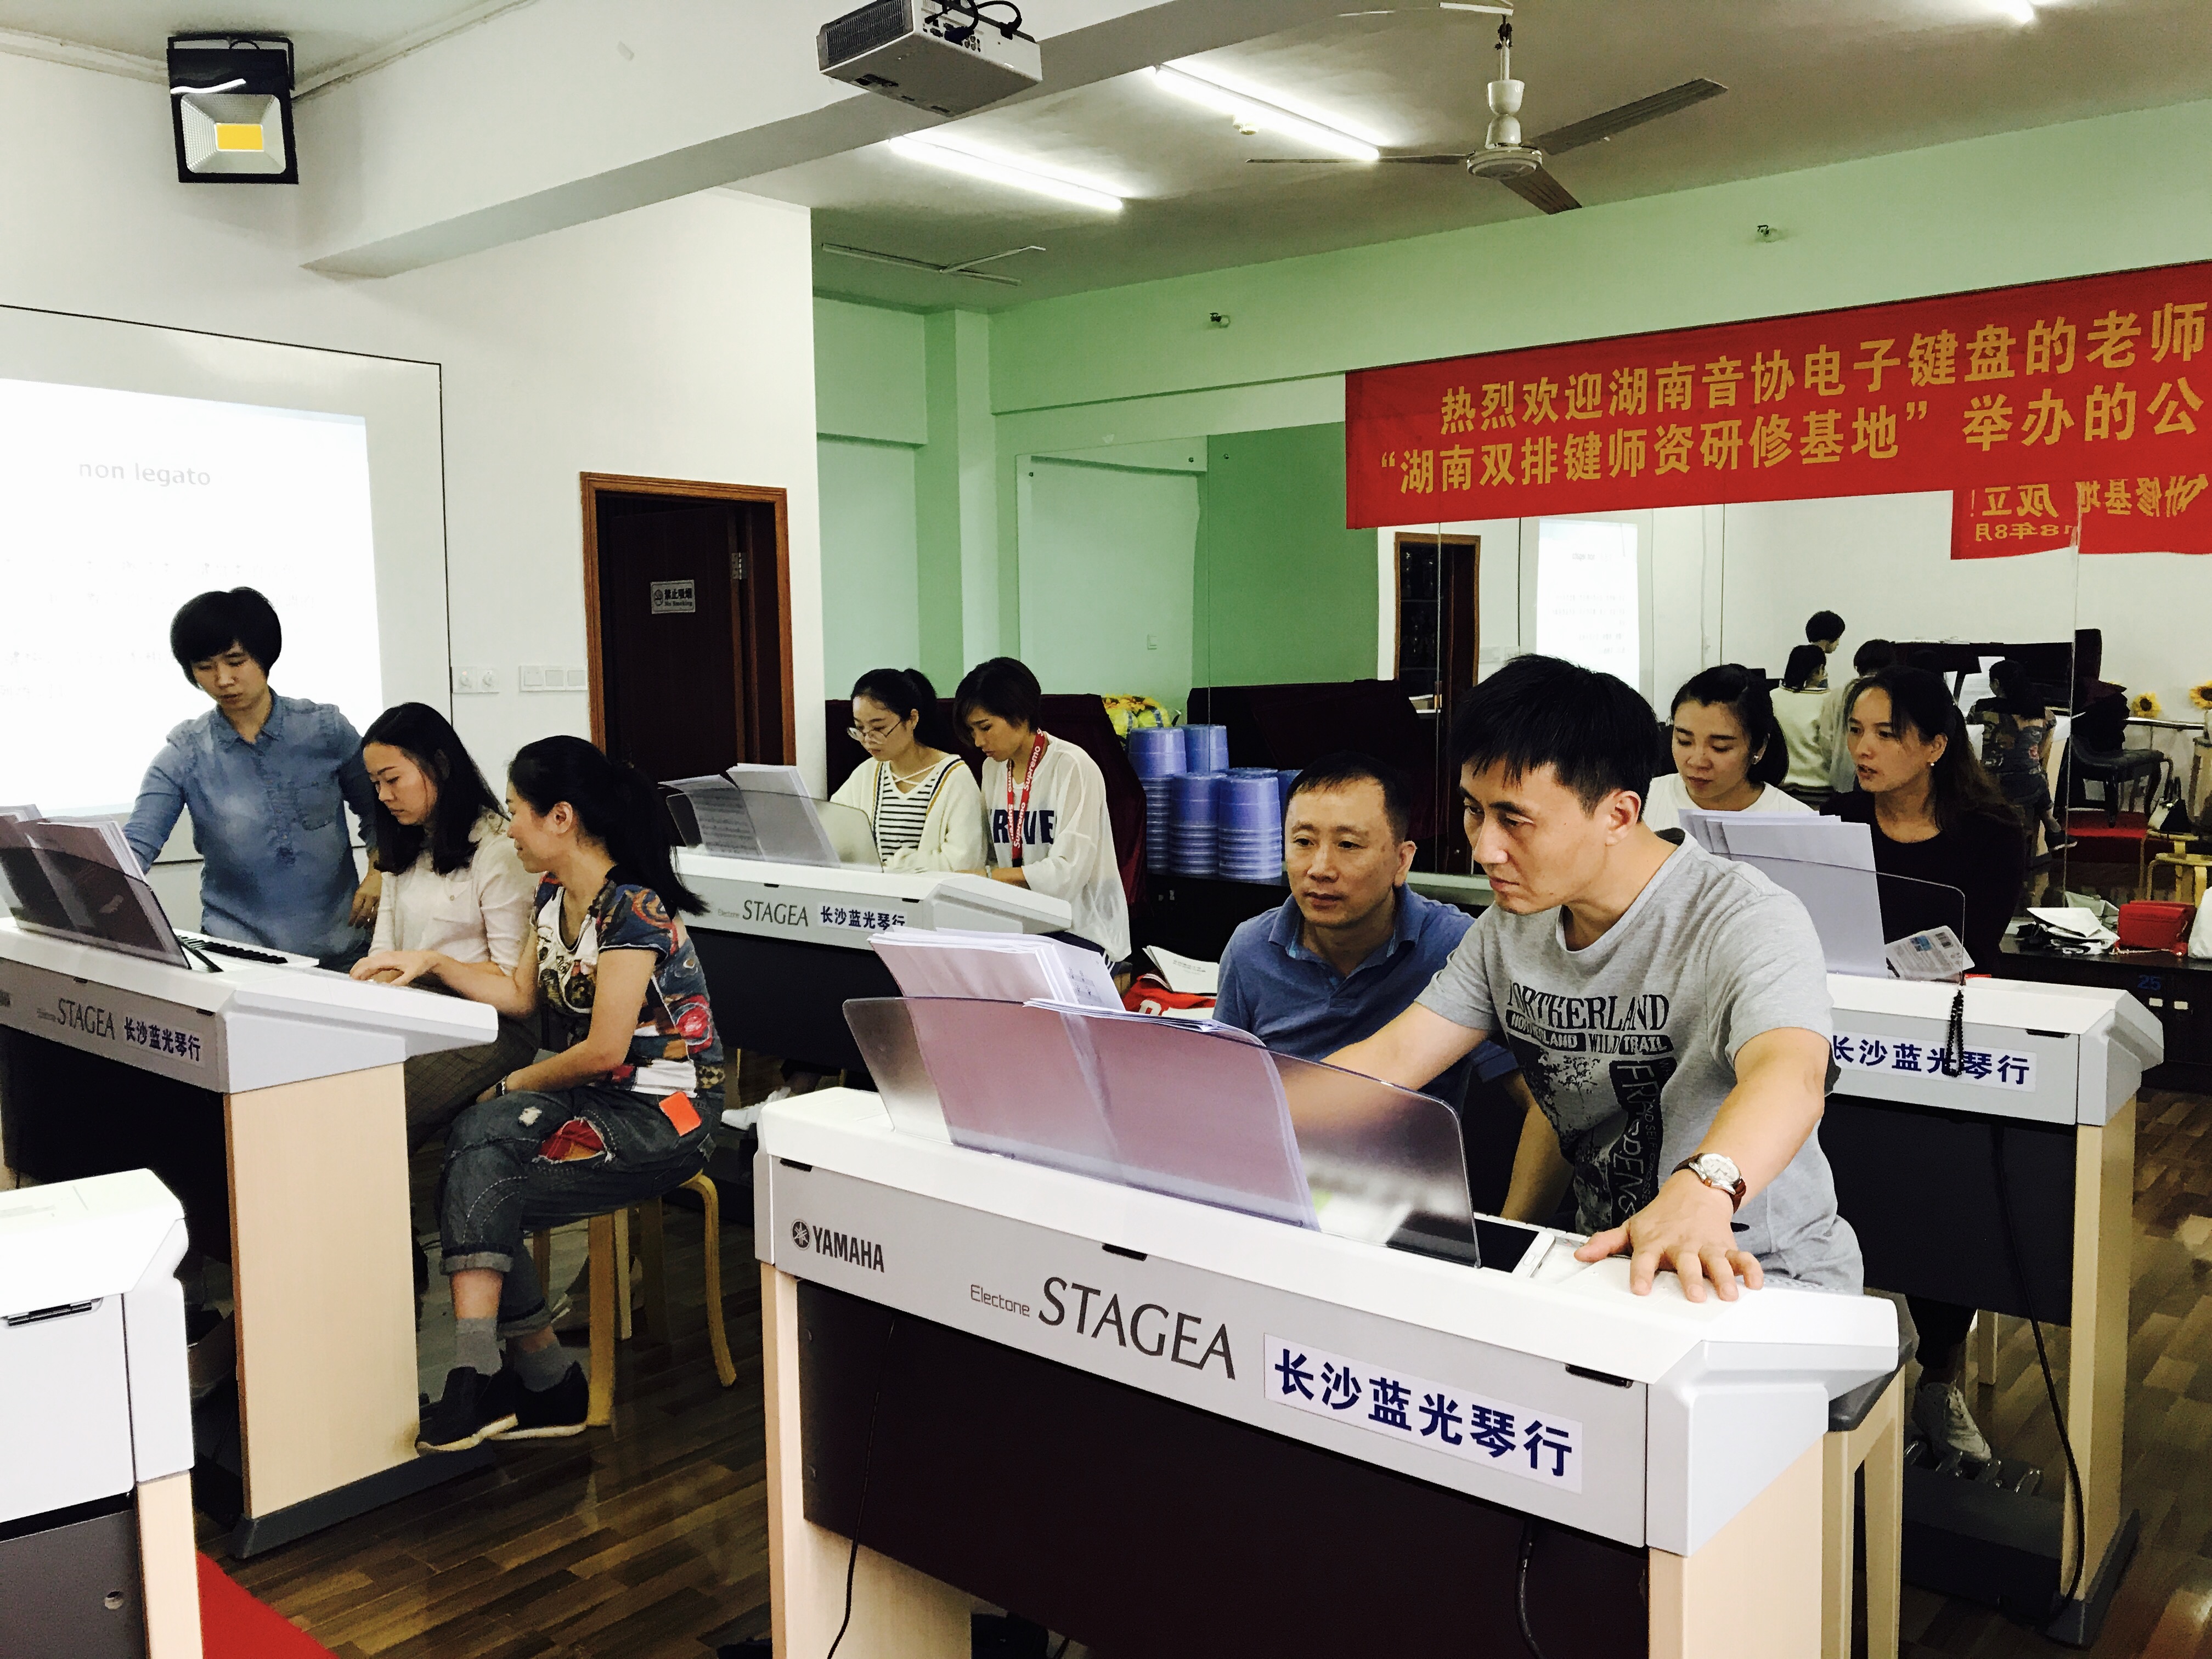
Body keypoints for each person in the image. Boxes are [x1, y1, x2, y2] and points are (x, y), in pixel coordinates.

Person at [1329, 654, 1860, 1300]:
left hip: (1758, 1275)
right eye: (1474, 811)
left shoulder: (1743, 917)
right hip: (1602, 1267)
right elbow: (1391, 1058)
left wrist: (1704, 1188)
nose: (1484, 849)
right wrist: (1255, 1121)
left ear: (1618, 814)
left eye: (1514, 820)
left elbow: (1791, 1074)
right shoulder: (1510, 926)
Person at [377, 736, 722, 1452]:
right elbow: (518, 995)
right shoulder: (553, 896)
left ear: (560, 817)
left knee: (480, 1166)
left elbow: (605, 1049)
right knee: (478, 1152)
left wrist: (509, 1082)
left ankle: (522, 1377)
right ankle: (510, 1375)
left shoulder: (634, 909)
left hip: (668, 1113)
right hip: (596, 1097)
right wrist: (433, 962)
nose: (509, 828)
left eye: (516, 811)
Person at [1825, 665, 2025, 1460]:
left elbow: (1977, 947)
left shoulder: (1991, 831)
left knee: (1947, 1208)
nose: (1863, 749)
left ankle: (1938, 1378)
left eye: (1886, 734)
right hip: (1844, 1036)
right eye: (1856, 731)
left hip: (1948, 1042)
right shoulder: (1837, 822)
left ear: (1936, 746)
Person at [1214, 754, 1520, 1118]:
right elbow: (1221, 1092)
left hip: (1408, 1154)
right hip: (1282, 1147)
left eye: (1347, 845)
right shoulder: (1250, 949)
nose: (1320, 869)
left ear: (1402, 861)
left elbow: (1537, 1098)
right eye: (1303, 841)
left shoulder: (1455, 945)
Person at [123, 587, 381, 964]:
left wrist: (379, 870)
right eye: (205, 667)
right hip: (238, 958)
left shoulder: (325, 730)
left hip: (342, 951)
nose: (223, 679)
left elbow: (379, 808)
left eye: (236, 661)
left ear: (264, 655)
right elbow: (137, 845)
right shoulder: (186, 753)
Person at [350, 704, 540, 1152]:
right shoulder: (404, 846)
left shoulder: (498, 850)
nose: (384, 796)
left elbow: (514, 987)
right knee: (325, 1077)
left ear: (439, 765)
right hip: (416, 1011)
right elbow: (383, 956)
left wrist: (431, 965)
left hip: (487, 1025)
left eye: (393, 780)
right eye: (375, 784)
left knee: (370, 1104)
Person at [957, 656, 1131, 963]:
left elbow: (1067, 873)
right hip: (1021, 924)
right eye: (973, 731)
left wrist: (988, 876)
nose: (979, 741)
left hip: (1082, 930)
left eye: (986, 727)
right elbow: (990, 853)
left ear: (1020, 714)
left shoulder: (1073, 766)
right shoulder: (993, 769)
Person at [829, 668, 984, 871]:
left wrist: (894, 867)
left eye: (879, 728)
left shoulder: (954, 777)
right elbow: (832, 834)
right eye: (860, 729)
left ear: (912, 719)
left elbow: (964, 862)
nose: (868, 740)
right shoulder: (867, 774)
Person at [1642, 664, 1814, 833]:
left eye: (1720, 748)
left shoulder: (1799, 823)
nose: (1697, 762)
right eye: (1684, 741)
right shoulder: (1641, 799)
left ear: (1759, 748)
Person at [1970, 659, 2070, 858]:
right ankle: (2051, 825)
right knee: (2034, 772)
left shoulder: (1980, 708)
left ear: (1997, 683)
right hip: (2028, 786)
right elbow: (2041, 751)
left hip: (1990, 784)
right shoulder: (2042, 712)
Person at [1824, 637, 1898, 795]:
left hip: (1841, 775)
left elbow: (1826, 737)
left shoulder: (1838, 694)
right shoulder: (1889, 695)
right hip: (1877, 773)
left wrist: (1836, 761)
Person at [1773, 645, 1833, 808]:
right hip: (1820, 790)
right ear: (1820, 670)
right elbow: (1832, 748)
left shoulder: (1772, 697)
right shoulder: (1829, 701)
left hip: (1779, 789)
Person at [1805, 610, 1846, 676]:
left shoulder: (1800, 655)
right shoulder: (1817, 663)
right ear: (1832, 637)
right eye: (1838, 638)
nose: (1838, 644)